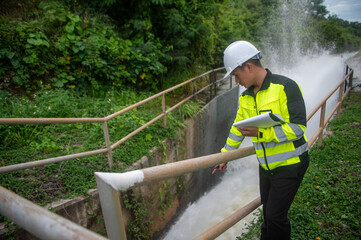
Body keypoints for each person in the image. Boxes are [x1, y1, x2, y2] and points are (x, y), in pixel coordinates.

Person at [213, 41, 309, 240]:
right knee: (268, 214)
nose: (237, 81)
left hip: (291, 164)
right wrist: (225, 156)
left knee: (275, 217)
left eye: (236, 76)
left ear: (248, 66)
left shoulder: (285, 87)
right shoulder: (246, 97)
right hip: (266, 166)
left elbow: (297, 128)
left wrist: (261, 134)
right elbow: (237, 129)